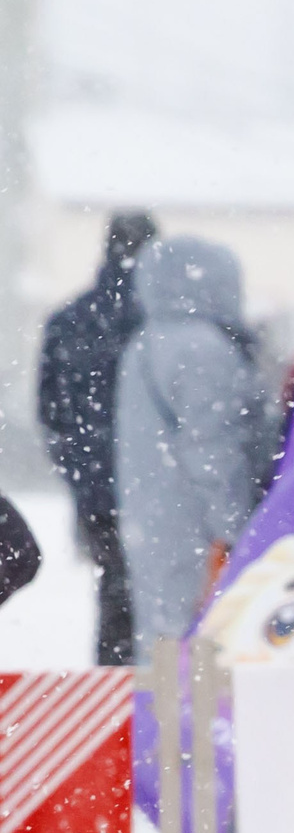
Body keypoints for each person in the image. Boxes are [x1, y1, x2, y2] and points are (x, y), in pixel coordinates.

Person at [113, 236, 267, 649]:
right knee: (207, 638)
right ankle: (196, 714)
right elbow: (212, 451)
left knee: (162, 635)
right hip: (197, 528)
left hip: (154, 520)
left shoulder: (143, 343)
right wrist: (233, 531)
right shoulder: (203, 349)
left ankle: (163, 710)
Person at [36, 209, 155, 664]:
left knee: (115, 595)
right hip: (162, 490)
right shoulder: (158, 321)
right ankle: (169, 708)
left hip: (98, 488)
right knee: (170, 602)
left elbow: (49, 412)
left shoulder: (70, 320)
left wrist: (79, 471)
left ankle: (113, 695)